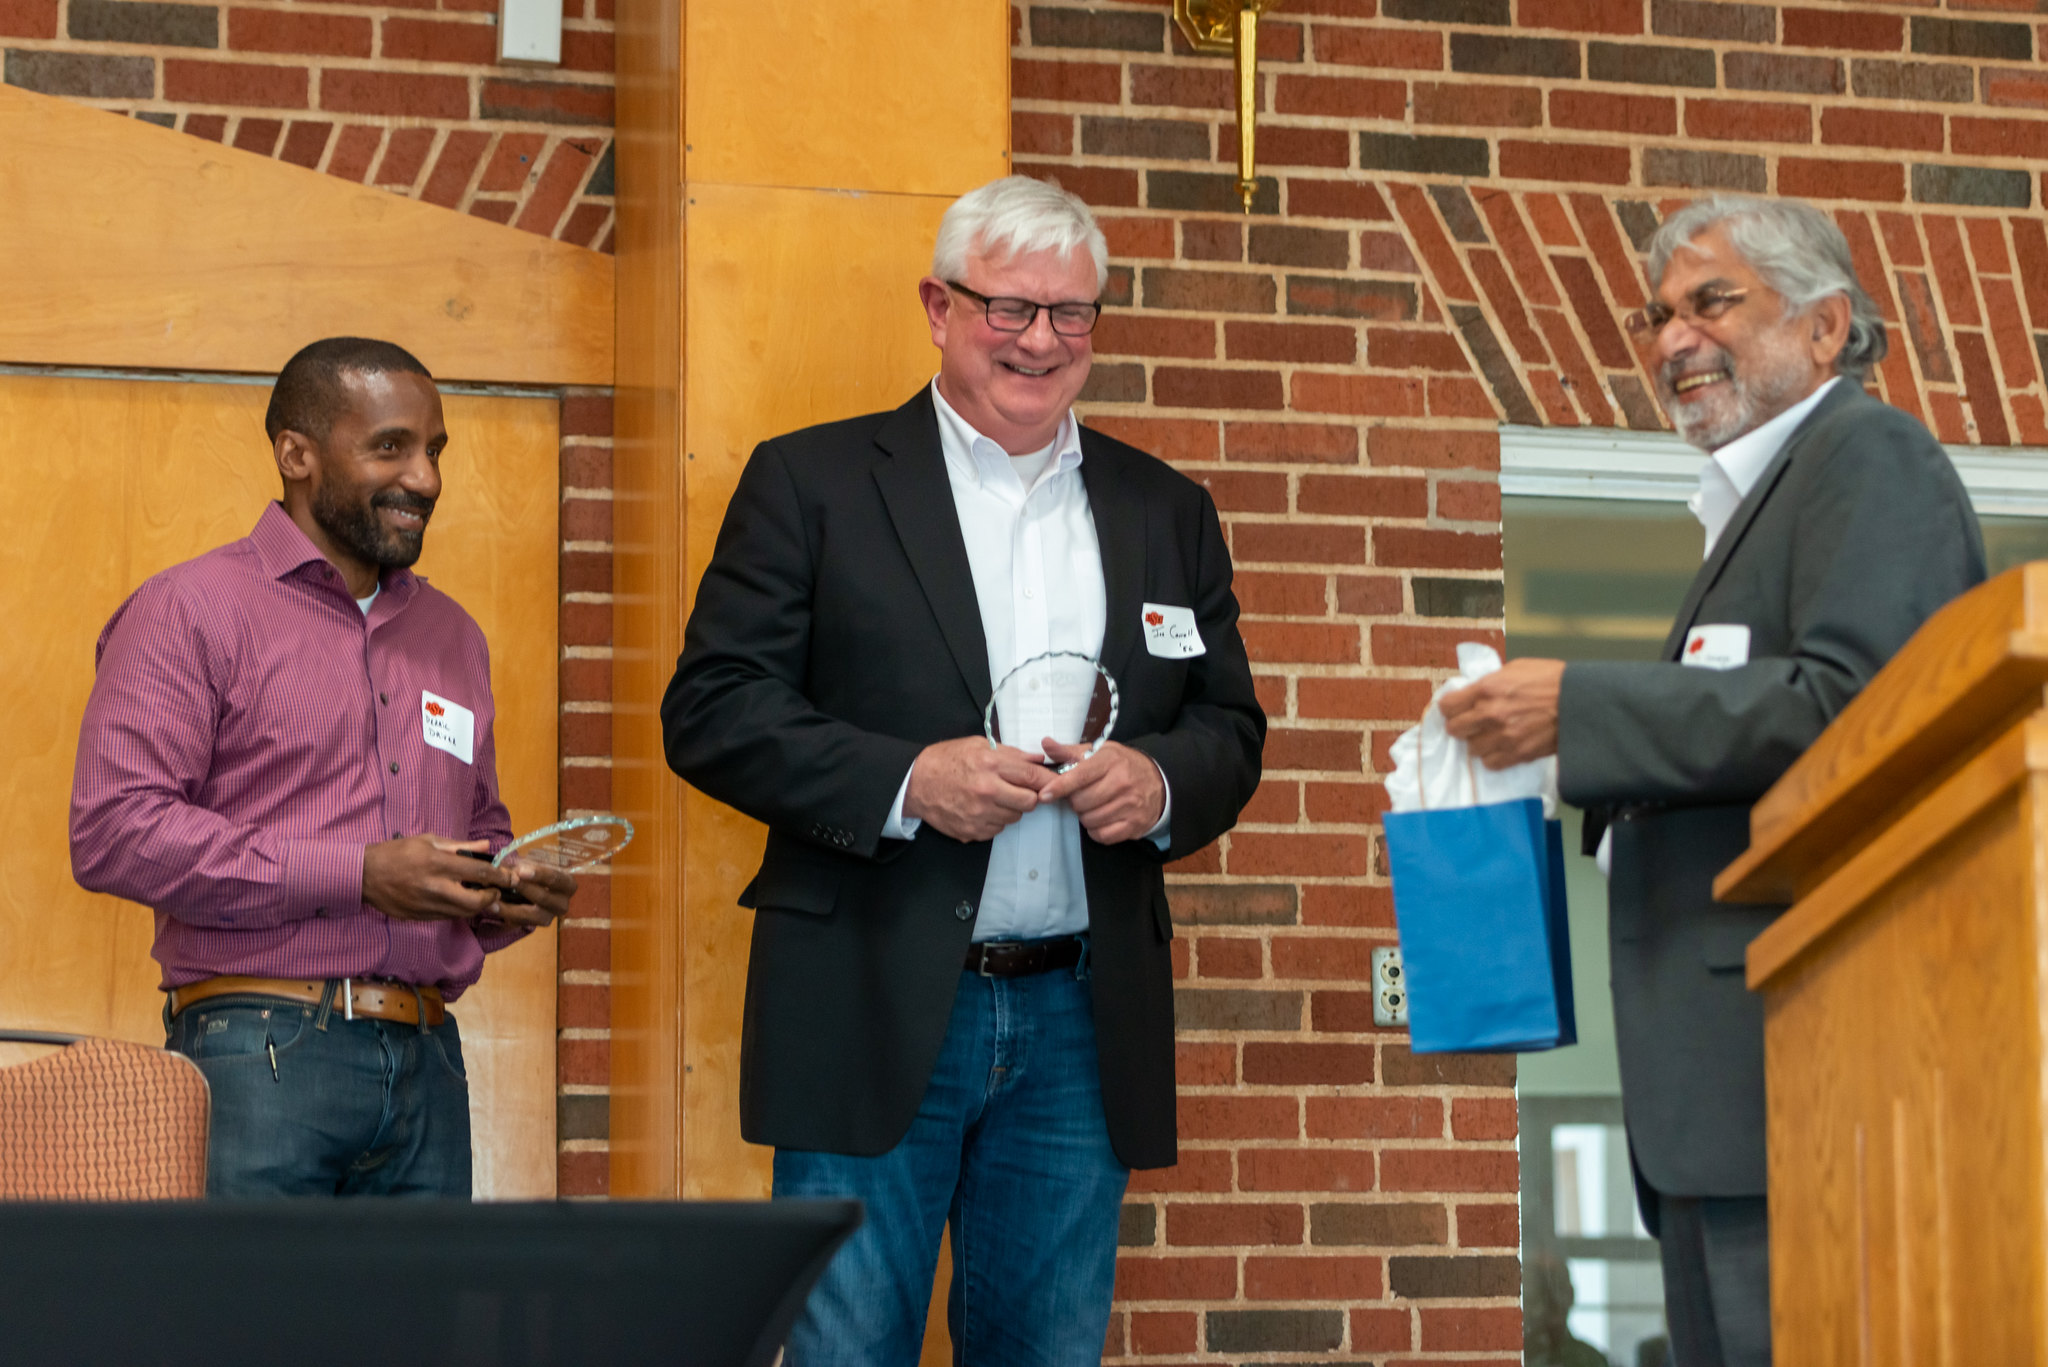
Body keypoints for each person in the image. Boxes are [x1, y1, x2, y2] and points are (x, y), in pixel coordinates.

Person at [662, 175, 1264, 1364]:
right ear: (937, 307)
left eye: (1071, 313)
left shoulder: (1165, 509)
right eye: (1007, 307)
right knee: (844, 1348)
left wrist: (1156, 787)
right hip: (869, 1000)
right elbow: (713, 708)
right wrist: (904, 781)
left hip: (1080, 1016)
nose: (1040, 339)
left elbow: (1227, 725)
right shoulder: (814, 483)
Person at [1440, 196, 1985, 1366]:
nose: (1668, 340)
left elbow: (1850, 706)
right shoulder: (1754, 507)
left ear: (1825, 325)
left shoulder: (1868, 456)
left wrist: (1579, 707)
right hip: (1721, 1096)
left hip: (1805, 1072)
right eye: (1654, 316)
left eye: (1709, 302)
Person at [70, 336, 575, 1198]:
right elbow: (115, 831)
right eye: (390, 447)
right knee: (250, 1333)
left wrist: (505, 886)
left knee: (418, 1338)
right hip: (258, 1052)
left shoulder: (453, 637)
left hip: (428, 1061)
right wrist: (360, 874)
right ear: (296, 453)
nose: (425, 478)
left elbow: (478, 827)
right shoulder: (192, 608)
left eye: (434, 451)